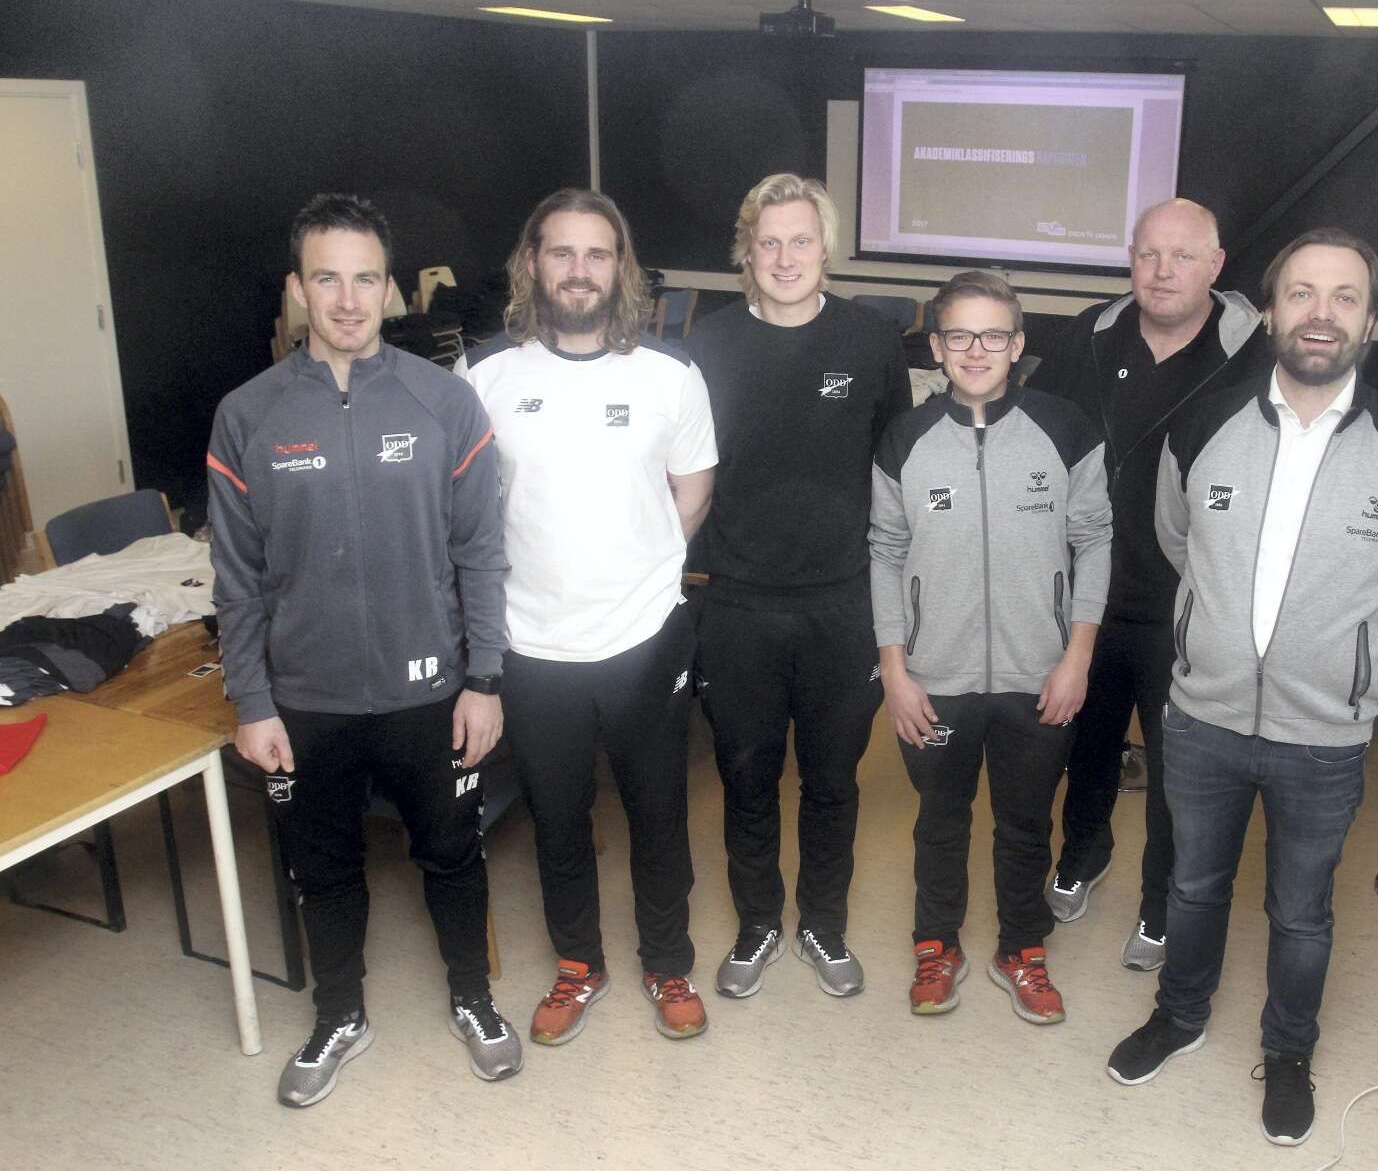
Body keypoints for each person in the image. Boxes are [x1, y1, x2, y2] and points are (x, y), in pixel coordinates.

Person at [1105, 228, 1378, 1146]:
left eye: (1344, 296)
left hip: (1324, 735)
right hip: (1203, 717)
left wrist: (1353, 641)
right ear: (1269, 311)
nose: (1320, 313)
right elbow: (1177, 538)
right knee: (1192, 886)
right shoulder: (1201, 425)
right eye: (1301, 292)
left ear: (1370, 320)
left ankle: (1288, 1051)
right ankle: (1179, 1016)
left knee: (1300, 911)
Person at [207, 193, 521, 1107]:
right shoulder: (247, 415)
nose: (347, 300)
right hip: (308, 699)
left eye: (365, 279)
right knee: (324, 868)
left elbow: (480, 552)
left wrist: (484, 678)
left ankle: (473, 997)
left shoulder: (444, 401)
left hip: (432, 688)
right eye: (327, 279)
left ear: (390, 288)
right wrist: (252, 700)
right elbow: (237, 576)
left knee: (452, 854)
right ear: (298, 288)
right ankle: (339, 1014)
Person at [455, 189, 717, 1045]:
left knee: (657, 814)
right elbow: (468, 514)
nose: (578, 269)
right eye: (561, 252)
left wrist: (635, 566)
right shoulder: (483, 376)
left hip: (644, 639)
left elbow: (692, 491)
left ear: (619, 268)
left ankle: (667, 960)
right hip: (531, 647)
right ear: (532, 263)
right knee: (559, 819)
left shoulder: (670, 374)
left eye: (596, 253)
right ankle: (578, 963)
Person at [683, 174, 910, 999]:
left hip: (840, 605)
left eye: (801, 240)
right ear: (746, 251)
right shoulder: (706, 347)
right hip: (736, 603)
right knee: (745, 777)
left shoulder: (870, 340)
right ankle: (757, 925)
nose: (785, 258)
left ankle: (822, 923)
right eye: (769, 242)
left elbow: (894, 469)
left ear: (826, 248)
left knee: (832, 781)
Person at [869, 271, 1113, 1024]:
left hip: (1039, 674)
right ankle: (935, 943)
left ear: (1018, 344)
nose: (976, 350)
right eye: (960, 335)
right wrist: (894, 671)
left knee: (1025, 821)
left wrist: (1076, 658)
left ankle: (1022, 947)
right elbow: (884, 550)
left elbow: (1094, 539)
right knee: (939, 818)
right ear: (937, 347)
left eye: (993, 335)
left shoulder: (1064, 428)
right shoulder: (905, 438)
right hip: (933, 676)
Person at [1028, 198, 1264, 973]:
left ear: (1215, 265)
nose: (1162, 272)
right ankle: (1082, 852)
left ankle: (1160, 902)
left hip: (1190, 606)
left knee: (1176, 770)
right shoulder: (1088, 337)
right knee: (1086, 743)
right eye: (1148, 254)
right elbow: (1038, 432)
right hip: (1087, 599)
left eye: (1182, 256)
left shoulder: (1253, 356)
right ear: (1129, 259)